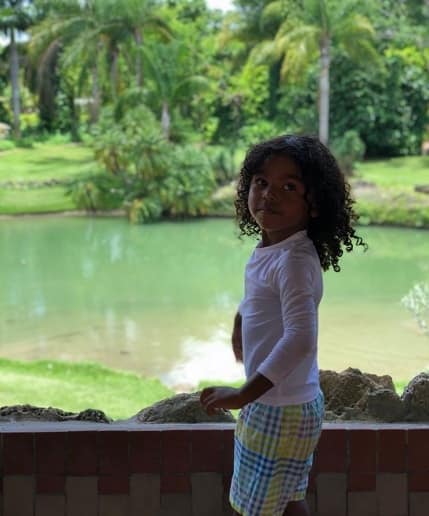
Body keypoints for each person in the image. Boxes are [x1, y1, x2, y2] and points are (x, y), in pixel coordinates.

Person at [200, 135, 367, 516]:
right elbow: (261, 294)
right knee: (287, 499)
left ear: (315, 204)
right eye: (261, 182)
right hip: (292, 403)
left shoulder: (293, 260)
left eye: (288, 186)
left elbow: (300, 340)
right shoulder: (274, 247)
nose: (269, 195)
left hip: (276, 408)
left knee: (254, 508)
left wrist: (243, 395)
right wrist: (241, 319)